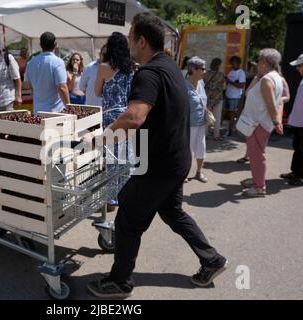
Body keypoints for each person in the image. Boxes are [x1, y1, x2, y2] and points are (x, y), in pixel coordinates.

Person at [86, 13, 227, 298]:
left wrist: (99, 140)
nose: (128, 46)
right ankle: (212, 259)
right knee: (172, 212)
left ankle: (120, 281)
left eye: (130, 39)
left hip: (159, 164)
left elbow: (135, 117)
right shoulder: (171, 67)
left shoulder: (148, 73)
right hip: (176, 159)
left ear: (141, 40)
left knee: (127, 215)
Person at [95, 31, 134, 210]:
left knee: (111, 158)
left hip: (110, 114)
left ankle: (111, 199)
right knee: (125, 157)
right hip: (126, 115)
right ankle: (124, 194)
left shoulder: (104, 67)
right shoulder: (131, 68)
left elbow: (97, 92)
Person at [239, 49, 284, 197]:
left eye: (258, 60)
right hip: (259, 123)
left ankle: (259, 187)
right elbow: (276, 102)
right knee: (257, 154)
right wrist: (276, 121)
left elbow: (271, 104)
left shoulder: (267, 79)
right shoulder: (273, 77)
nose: (257, 63)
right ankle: (257, 180)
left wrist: (276, 121)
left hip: (258, 123)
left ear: (264, 62)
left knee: (257, 156)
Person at [24, 32, 70, 113]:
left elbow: (27, 85)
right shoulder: (58, 62)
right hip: (56, 112)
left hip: (38, 111)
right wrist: (69, 107)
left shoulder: (31, 62)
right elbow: (62, 87)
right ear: (55, 44)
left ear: (40, 45)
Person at [280, 53, 303, 186]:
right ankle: (295, 172)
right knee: (298, 148)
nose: (297, 69)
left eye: (299, 66)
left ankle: (301, 176)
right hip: (299, 122)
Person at [186, 57, 209, 183]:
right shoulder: (184, 87)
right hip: (189, 124)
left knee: (201, 148)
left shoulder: (201, 83)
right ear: (193, 70)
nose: (205, 71)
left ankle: (199, 172)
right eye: (203, 69)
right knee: (187, 150)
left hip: (201, 122)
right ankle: (184, 173)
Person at [0, 37, 22, 112]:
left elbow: (17, 78)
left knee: (5, 123)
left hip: (5, 102)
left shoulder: (7, 58)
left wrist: (19, 96)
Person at [203, 58, 225, 140]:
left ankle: (205, 134)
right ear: (219, 65)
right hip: (218, 98)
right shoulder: (221, 75)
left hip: (207, 97)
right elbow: (224, 87)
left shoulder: (206, 74)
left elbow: (202, 84)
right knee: (217, 117)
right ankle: (216, 135)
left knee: (206, 116)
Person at [224, 56, 246, 136]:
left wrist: (230, 82)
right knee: (226, 112)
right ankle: (227, 129)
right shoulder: (231, 71)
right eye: (232, 63)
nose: (232, 65)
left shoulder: (241, 73)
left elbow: (241, 85)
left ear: (238, 63)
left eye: (234, 63)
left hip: (235, 97)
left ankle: (230, 130)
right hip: (227, 94)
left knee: (232, 114)